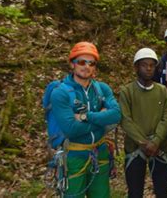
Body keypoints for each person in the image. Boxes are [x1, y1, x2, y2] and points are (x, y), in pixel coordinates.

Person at [50, 41, 121, 197]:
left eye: (91, 63)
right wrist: (101, 121)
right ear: (72, 64)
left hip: (100, 152)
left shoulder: (102, 88)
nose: (86, 66)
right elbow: (71, 129)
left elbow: (116, 115)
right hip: (74, 156)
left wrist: (85, 116)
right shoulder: (60, 93)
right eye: (81, 62)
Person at [119, 47, 167, 198]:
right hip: (135, 149)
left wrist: (155, 141)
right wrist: (143, 143)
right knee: (135, 192)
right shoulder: (127, 91)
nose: (148, 68)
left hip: (159, 147)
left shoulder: (162, 91)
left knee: (163, 191)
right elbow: (125, 119)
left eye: (152, 65)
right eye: (144, 65)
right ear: (136, 67)